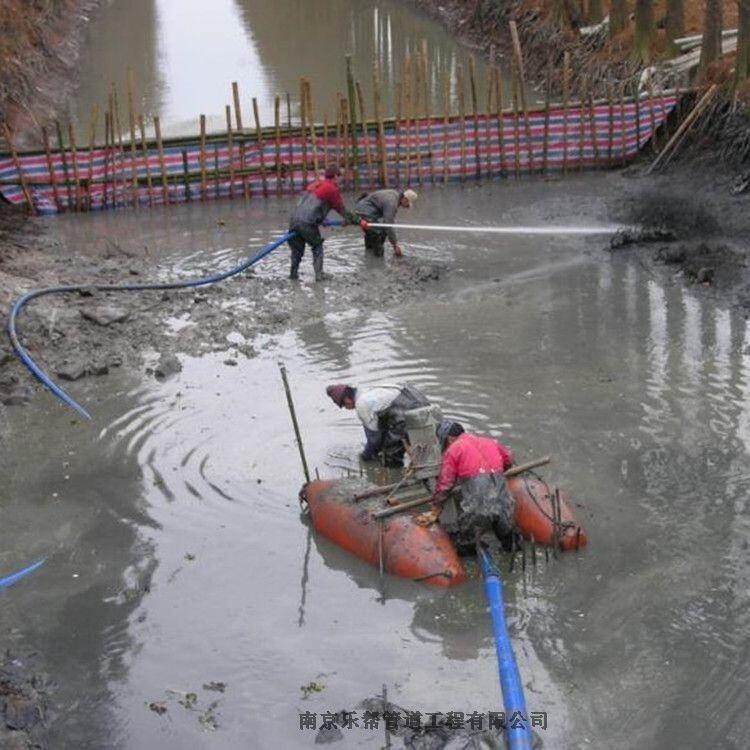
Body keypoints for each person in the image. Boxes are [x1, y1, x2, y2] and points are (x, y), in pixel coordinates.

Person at [416, 421, 515, 546]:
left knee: (466, 538)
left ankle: (470, 548)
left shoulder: (453, 449)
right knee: (505, 526)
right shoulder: (489, 441)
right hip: (501, 492)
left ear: (448, 439)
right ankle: (511, 545)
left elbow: (445, 484)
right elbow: (508, 460)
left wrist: (436, 504)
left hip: (478, 502)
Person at [326, 382, 431, 466]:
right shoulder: (367, 391)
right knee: (422, 444)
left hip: (406, 411)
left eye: (344, 406)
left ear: (347, 400)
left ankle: (395, 478)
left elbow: (374, 440)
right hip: (420, 400)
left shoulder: (361, 404)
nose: (347, 409)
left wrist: (365, 457)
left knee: (390, 453)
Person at [287, 165, 358, 281]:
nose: (341, 181)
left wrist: (321, 219)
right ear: (335, 176)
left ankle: (293, 275)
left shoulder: (315, 184)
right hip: (307, 223)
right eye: (340, 177)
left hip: (294, 220)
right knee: (317, 246)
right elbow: (342, 210)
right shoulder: (331, 189)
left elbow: (309, 205)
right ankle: (319, 275)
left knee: (297, 251)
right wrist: (357, 220)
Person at [355, 188, 418, 257]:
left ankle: (369, 252)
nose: (405, 207)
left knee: (372, 232)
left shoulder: (394, 194)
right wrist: (395, 245)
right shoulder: (392, 203)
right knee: (380, 233)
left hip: (362, 208)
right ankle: (378, 260)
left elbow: (388, 219)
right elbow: (388, 225)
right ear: (405, 199)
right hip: (365, 212)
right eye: (407, 204)